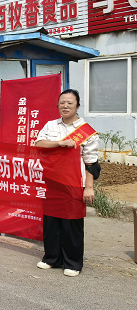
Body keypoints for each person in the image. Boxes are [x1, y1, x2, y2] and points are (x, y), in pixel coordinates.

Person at [35, 89, 99, 277]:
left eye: (70, 103)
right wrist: (60, 143)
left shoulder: (86, 131)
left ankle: (72, 262)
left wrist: (89, 187)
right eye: (62, 102)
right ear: (58, 105)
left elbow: (91, 162)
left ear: (77, 106)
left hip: (74, 182)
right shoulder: (50, 125)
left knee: (72, 224)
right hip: (52, 181)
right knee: (51, 221)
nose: (65, 106)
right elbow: (39, 144)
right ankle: (52, 258)